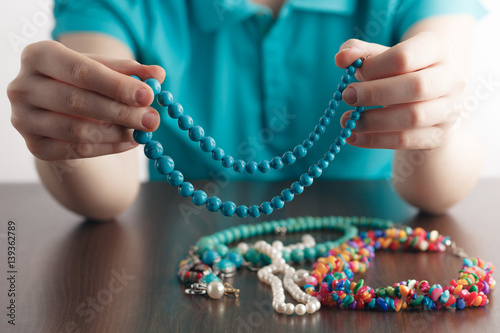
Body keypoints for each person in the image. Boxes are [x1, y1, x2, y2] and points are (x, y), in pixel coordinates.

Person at [7, 0, 487, 220]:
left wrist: (436, 117)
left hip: (371, 256)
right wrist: (65, 129)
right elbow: (103, 194)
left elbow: (435, 191)